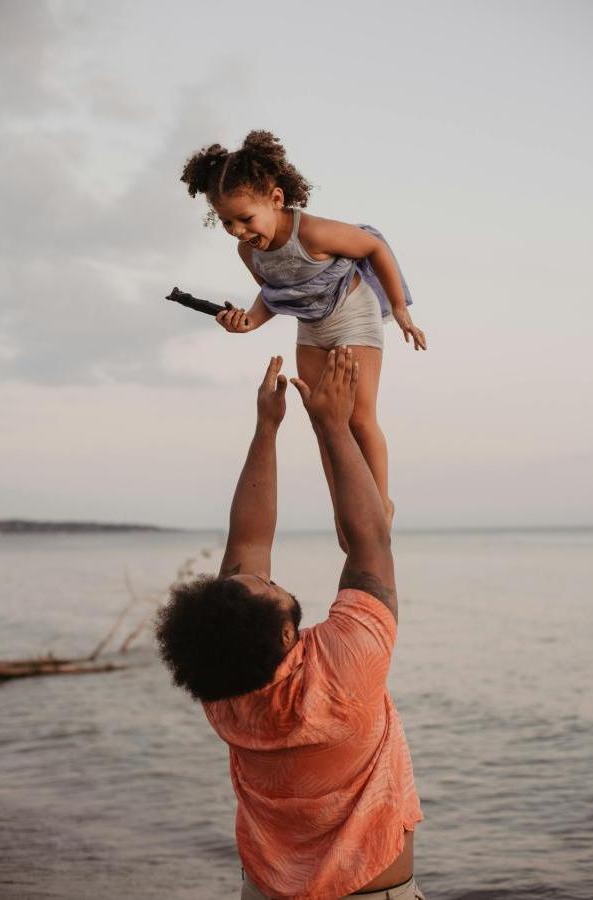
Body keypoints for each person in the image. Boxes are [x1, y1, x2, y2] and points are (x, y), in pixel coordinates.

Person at [155, 349, 425, 899]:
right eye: (268, 588)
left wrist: (267, 428)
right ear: (285, 636)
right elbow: (371, 539)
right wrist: (331, 425)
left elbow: (248, 546)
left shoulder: (224, 690)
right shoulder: (345, 668)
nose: (267, 578)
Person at [180, 130, 427, 548]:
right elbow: (274, 295)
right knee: (324, 421)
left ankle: (380, 503)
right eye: (226, 222)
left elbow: (374, 247)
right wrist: (247, 322)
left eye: (245, 218)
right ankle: (345, 510)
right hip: (311, 327)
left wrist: (400, 309)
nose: (238, 231)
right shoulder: (250, 253)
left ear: (275, 199)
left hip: (352, 314)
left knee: (359, 415)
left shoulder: (311, 232)